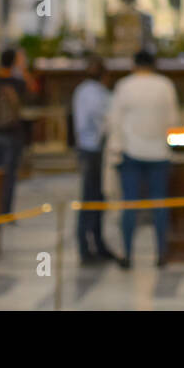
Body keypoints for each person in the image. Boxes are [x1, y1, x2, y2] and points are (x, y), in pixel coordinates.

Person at [107, 49, 178, 268]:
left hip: (131, 152)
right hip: (159, 152)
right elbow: (173, 120)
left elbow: (114, 121)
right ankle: (161, 254)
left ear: (134, 64)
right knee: (159, 203)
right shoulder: (165, 85)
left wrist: (115, 149)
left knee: (129, 204)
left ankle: (128, 254)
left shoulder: (125, 86)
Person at [72, 53, 116, 265]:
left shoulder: (86, 91)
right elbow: (102, 119)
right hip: (92, 149)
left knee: (98, 197)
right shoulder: (93, 93)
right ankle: (85, 245)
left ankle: (97, 242)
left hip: (93, 148)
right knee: (91, 198)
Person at [0, 47, 28, 218]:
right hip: (11, 133)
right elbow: (30, 89)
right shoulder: (18, 83)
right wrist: (21, 68)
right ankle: (6, 212)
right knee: (9, 176)